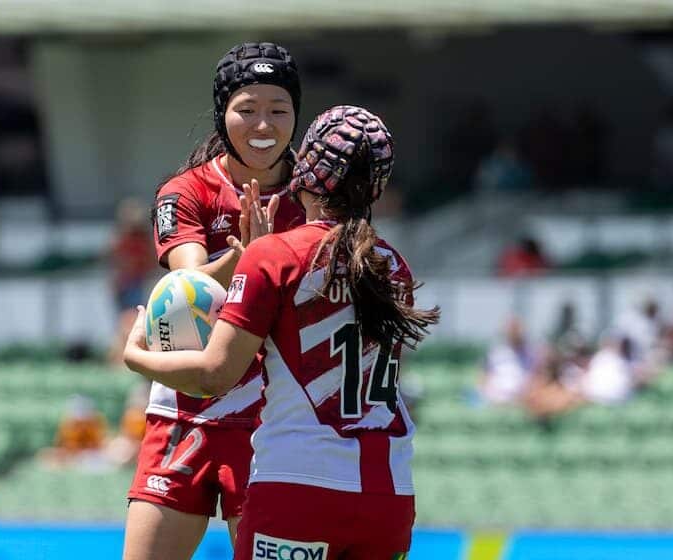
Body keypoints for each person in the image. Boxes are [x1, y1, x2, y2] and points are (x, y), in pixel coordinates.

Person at [125, 105, 440, 559]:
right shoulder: (394, 266)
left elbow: (215, 375)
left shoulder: (275, 255)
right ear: (376, 186)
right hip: (389, 495)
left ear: (307, 169)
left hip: (299, 486)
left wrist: (139, 357)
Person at [124, 42, 306, 559]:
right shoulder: (186, 191)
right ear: (223, 113)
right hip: (184, 413)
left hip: (273, 424)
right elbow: (189, 292)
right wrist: (248, 257)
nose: (263, 124)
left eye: (278, 110)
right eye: (247, 109)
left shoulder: (316, 195)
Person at [107, 198, 158, 365]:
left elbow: (151, 263)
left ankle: (121, 360)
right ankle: (118, 361)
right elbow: (116, 263)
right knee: (127, 323)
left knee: (131, 324)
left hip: (139, 285)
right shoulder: (121, 240)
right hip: (127, 287)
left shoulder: (143, 241)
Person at [39, 394, 109, 469]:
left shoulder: (95, 422)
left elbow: (99, 443)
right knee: (47, 454)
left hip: (91, 454)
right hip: (72, 454)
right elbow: (62, 443)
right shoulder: (68, 423)